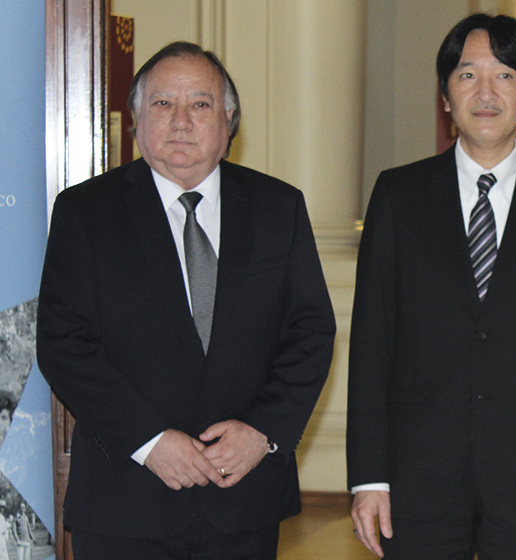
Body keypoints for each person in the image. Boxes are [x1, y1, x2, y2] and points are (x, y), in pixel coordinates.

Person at [37, 41, 336, 558]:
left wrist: (263, 432)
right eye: (161, 104)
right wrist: (150, 442)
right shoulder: (86, 211)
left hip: (242, 495)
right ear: (134, 120)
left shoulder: (277, 207)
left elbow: (309, 332)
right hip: (125, 500)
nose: (180, 120)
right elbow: (64, 343)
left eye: (199, 104)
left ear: (228, 122)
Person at [346, 13, 516, 560]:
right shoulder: (398, 196)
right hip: (417, 479)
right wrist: (369, 478)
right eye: (467, 75)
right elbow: (372, 348)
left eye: (506, 76)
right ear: (445, 96)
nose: (485, 92)